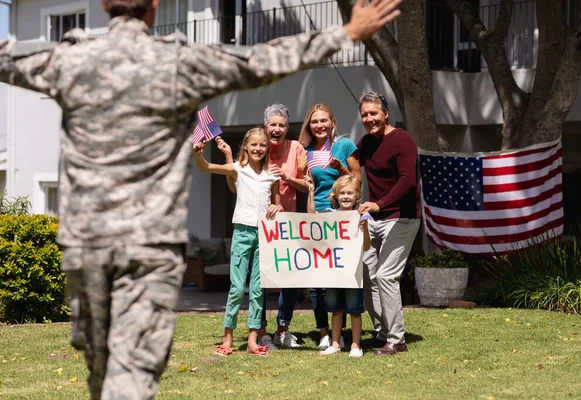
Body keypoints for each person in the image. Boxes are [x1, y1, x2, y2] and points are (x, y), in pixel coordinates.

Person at [0, 0, 401, 395]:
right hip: (149, 248)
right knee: (133, 376)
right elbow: (260, 61)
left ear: (104, 5)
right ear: (154, 6)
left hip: (87, 246)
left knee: (101, 369)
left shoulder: (71, 60)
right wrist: (345, 33)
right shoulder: (179, 62)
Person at [217, 104, 308, 350]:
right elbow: (236, 184)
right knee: (258, 283)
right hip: (257, 226)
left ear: (287, 128)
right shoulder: (254, 155)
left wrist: (287, 179)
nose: (277, 129)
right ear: (265, 128)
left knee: (284, 280)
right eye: (273, 125)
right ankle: (261, 332)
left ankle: (282, 329)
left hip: (287, 225)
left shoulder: (296, 149)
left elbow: (306, 184)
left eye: (282, 125)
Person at [193, 128, 282, 356]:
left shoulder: (271, 174)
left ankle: (253, 338)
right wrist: (197, 155)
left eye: (262, 145)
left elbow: (278, 202)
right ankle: (228, 336)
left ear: (267, 148)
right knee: (236, 287)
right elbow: (206, 167)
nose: (258, 149)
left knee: (257, 288)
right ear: (246, 146)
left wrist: (277, 206)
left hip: (264, 233)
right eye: (254, 145)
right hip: (242, 232)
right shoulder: (237, 169)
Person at [356, 91, 421, 356]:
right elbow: (352, 168)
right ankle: (382, 331)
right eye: (364, 114)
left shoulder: (403, 140)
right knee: (368, 275)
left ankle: (397, 339)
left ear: (385, 114)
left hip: (402, 218)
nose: (369, 118)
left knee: (385, 275)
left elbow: (407, 180)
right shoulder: (366, 142)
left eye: (373, 113)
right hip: (374, 220)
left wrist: (379, 204)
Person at [298, 103, 362, 350]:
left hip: (342, 215)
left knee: (342, 270)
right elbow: (308, 185)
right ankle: (326, 332)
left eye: (324, 120)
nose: (319, 125)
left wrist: (340, 168)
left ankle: (345, 332)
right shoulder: (307, 151)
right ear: (309, 126)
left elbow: (356, 180)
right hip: (318, 215)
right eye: (314, 122)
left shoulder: (345, 145)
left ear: (333, 122)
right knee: (319, 278)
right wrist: (304, 183)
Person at [306, 174, 370, 358]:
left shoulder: (362, 217)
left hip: (353, 272)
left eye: (350, 192)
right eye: (342, 193)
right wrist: (311, 191)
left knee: (355, 310)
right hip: (333, 272)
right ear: (335, 195)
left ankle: (356, 346)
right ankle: (335, 344)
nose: (346, 196)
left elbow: (366, 246)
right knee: (335, 309)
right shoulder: (330, 215)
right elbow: (312, 217)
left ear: (357, 195)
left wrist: (364, 230)